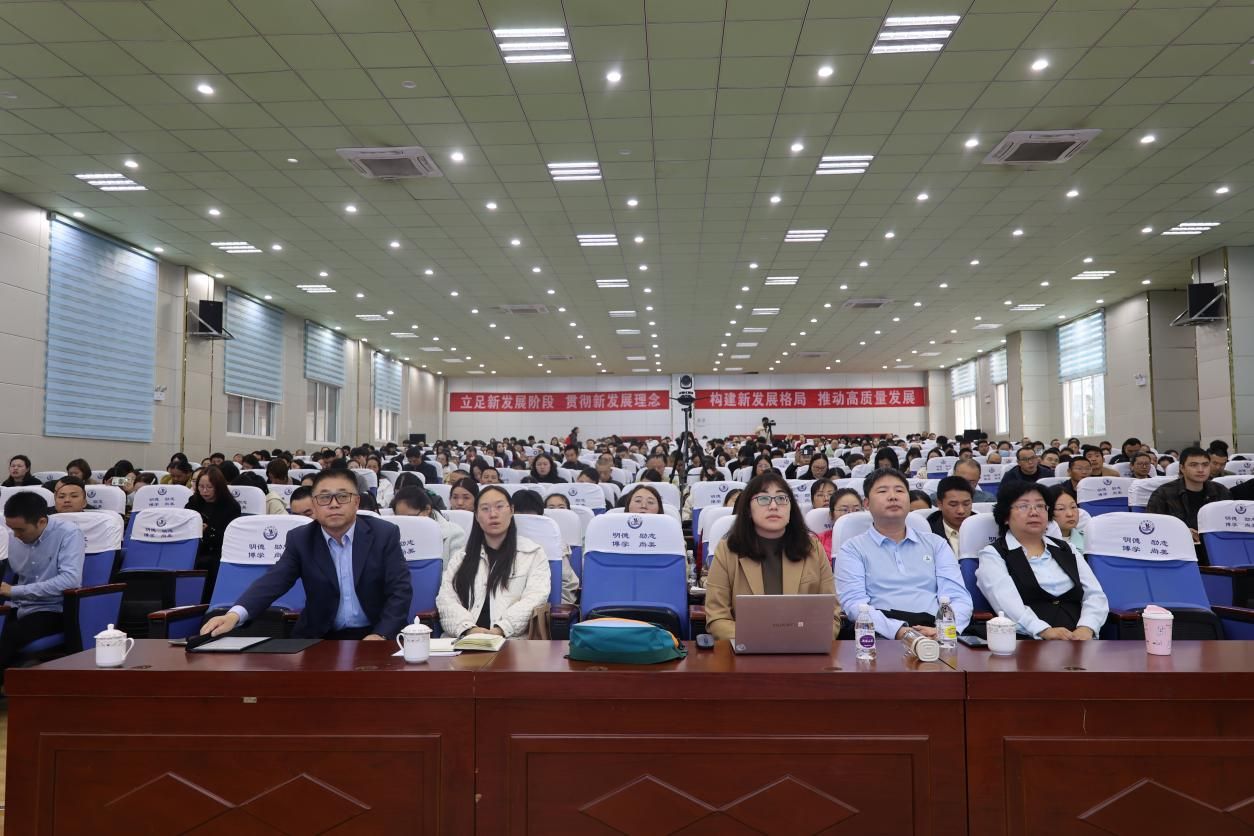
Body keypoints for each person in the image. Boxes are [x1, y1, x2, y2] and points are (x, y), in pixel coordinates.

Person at [201, 469, 412, 640]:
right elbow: (274, 581)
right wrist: (234, 614)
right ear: (314, 505)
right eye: (324, 498)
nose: (334, 504)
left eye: (342, 496)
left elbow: (400, 591)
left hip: (374, 633)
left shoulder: (384, 534)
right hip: (320, 637)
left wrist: (381, 635)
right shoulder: (301, 539)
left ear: (356, 502)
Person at [836, 468, 972, 640]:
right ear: (867, 504)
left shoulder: (936, 544)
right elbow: (854, 604)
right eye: (882, 491)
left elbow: (958, 597)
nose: (893, 496)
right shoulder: (852, 549)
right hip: (881, 636)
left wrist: (944, 630)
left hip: (936, 632)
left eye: (899, 490)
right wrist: (900, 631)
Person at [704, 473, 840, 641]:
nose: (774, 506)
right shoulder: (727, 551)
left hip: (802, 649)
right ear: (748, 509)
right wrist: (763, 639)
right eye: (763, 499)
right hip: (746, 649)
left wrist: (801, 640)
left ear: (791, 508)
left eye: (782, 498)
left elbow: (831, 615)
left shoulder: (812, 549)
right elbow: (717, 618)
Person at [976, 482, 1108, 640]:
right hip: (1029, 642)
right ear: (1005, 517)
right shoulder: (993, 554)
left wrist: (1087, 627)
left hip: (1081, 639)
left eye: (1040, 506)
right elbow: (1006, 604)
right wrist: (1044, 631)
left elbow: (1095, 595)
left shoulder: (1067, 548)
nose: (1034, 512)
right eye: (1023, 506)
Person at [436, 485, 551, 638]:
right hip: (464, 639)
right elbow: (447, 599)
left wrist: (502, 629)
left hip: (512, 641)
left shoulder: (532, 553)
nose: (493, 514)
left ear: (511, 510)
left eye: (499, 507)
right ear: (476, 516)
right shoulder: (462, 557)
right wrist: (469, 629)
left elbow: (535, 598)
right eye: (485, 509)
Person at [0, 493, 85, 681]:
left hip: (54, 608)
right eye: (12, 529)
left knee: (9, 635)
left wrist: (14, 591)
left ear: (41, 522)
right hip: (18, 606)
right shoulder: (12, 534)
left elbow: (70, 580)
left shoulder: (68, 533)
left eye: (21, 530)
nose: (16, 535)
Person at [1146, 446, 1231, 563]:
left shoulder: (1221, 491)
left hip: (1216, 550)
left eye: (1205, 465)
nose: (1201, 470)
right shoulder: (1163, 493)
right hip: (1177, 552)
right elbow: (1152, 527)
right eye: (1193, 465)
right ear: (1182, 468)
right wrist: (1180, 531)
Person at [509, 488, 578, 605]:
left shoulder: (554, 542)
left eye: (530, 517)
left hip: (544, 609)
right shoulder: (499, 537)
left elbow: (566, 584)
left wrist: (556, 611)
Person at [185, 466, 243, 598]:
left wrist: (208, 530)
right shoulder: (193, 502)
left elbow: (230, 537)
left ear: (219, 487)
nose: (204, 491)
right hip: (194, 548)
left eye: (209, 487)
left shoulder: (231, 506)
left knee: (207, 563)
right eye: (201, 486)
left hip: (218, 551)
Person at [392, 485, 467, 565]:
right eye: (400, 519)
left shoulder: (455, 533)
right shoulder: (393, 535)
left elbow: (456, 570)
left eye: (410, 518)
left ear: (427, 509)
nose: (406, 523)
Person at [928, 476, 974, 557]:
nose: (961, 511)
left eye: (966, 504)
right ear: (939, 504)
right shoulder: (928, 532)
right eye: (953, 505)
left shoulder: (983, 528)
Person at [817, 488, 864, 558]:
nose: (851, 514)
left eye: (856, 510)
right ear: (831, 514)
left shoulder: (871, 539)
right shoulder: (818, 541)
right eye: (844, 510)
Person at [1048, 483, 1086, 555]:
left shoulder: (1088, 540)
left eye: (1073, 507)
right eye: (1061, 508)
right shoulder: (1040, 543)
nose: (1070, 514)